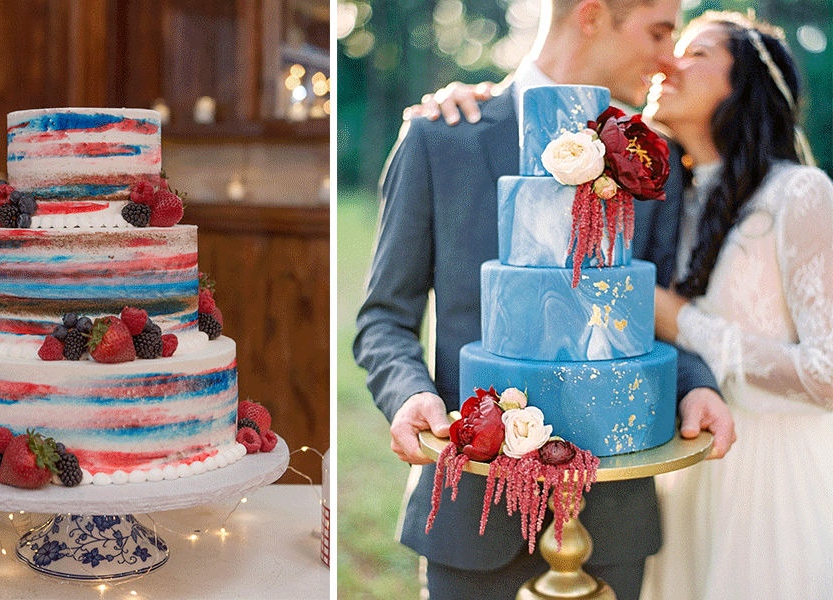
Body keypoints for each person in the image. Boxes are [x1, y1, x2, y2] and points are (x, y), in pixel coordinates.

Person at [353, 1, 735, 599]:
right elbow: (384, 318)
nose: (669, 58)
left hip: (613, 521)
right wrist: (410, 394)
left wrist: (696, 385)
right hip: (473, 516)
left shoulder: (651, 164)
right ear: (591, 16)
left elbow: (654, 316)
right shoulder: (440, 137)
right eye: (659, 32)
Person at [638, 12, 833, 600]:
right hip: (689, 474)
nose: (668, 62)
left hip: (775, 483)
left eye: (696, 53)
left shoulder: (800, 194)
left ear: (744, 83)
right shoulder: (668, 200)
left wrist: (682, 323)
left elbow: (827, 373)